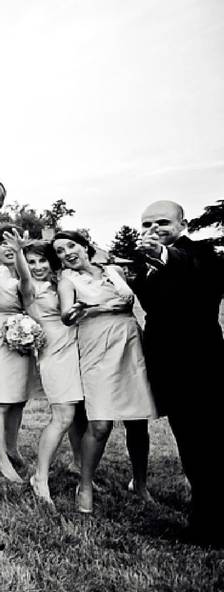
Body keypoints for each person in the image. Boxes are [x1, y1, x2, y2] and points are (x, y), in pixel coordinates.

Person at [132, 201, 224, 545]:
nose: (152, 228)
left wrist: (165, 255)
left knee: (209, 447)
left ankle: (211, 527)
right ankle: (203, 517)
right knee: (191, 446)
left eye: (162, 222)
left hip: (200, 369)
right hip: (169, 369)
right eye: (146, 224)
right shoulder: (148, 265)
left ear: (182, 223)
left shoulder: (202, 254)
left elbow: (193, 270)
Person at [54, 231, 156, 515]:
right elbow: (65, 314)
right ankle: (84, 485)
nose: (66, 253)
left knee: (137, 420)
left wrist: (103, 305)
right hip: (96, 345)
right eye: (60, 251)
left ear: (85, 247)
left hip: (130, 342)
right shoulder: (67, 280)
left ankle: (141, 483)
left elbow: (128, 300)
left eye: (70, 246)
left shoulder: (113, 270)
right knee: (100, 423)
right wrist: (76, 310)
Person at [3, 234, 83, 508]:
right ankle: (40, 477)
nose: (37, 267)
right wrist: (19, 255)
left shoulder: (61, 283)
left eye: (42, 261)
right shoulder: (29, 289)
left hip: (77, 350)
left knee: (77, 417)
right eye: (32, 261)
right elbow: (25, 278)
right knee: (63, 416)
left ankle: (79, 465)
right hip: (55, 355)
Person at [0, 226, 41, 483]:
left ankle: (12, 448)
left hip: (21, 334)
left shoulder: (23, 273)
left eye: (12, 243)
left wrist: (21, 254)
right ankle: (1, 459)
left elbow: (26, 287)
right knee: (0, 400)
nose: (8, 248)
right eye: (2, 243)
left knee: (17, 399)